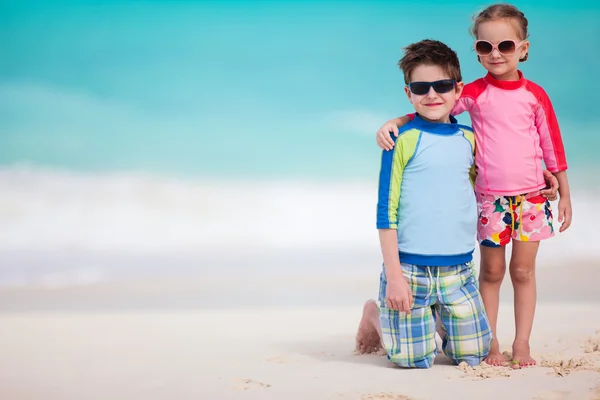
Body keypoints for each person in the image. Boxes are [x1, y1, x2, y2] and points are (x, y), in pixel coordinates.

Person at [373, 4, 572, 369]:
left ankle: (520, 342)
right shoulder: (471, 95)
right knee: (491, 275)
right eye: (485, 47)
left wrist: (558, 184)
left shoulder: (531, 99)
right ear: (477, 49)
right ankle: (478, 338)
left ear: (523, 48)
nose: (495, 54)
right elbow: (434, 108)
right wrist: (395, 120)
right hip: (486, 207)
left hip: (526, 202)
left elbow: (545, 143)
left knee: (520, 278)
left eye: (506, 46)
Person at [355, 39, 492, 368]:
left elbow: (494, 180)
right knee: (412, 361)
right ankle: (376, 314)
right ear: (409, 94)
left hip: (458, 271)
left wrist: (544, 178)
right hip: (409, 270)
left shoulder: (469, 139)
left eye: (442, 85)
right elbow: (385, 211)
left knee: (473, 356)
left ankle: (436, 318)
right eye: (421, 87)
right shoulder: (400, 140)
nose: (432, 95)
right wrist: (395, 276)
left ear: (457, 89)